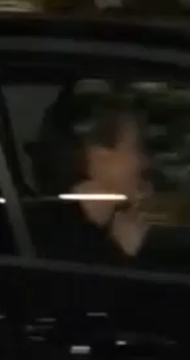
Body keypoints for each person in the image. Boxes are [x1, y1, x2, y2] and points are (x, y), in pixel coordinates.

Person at [27, 90, 151, 263]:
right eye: (135, 147)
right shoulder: (62, 245)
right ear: (99, 155)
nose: (144, 162)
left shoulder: (70, 227)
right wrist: (124, 254)